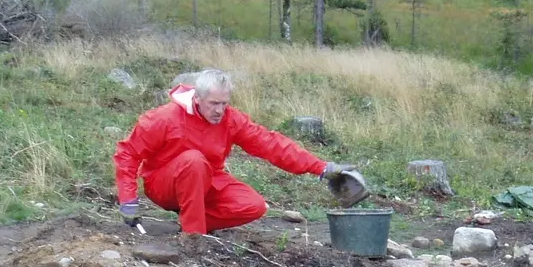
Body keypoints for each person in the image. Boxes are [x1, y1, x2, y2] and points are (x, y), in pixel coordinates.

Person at [113, 68, 354, 235]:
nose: (220, 110)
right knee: (194, 160)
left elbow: (270, 144)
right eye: (213, 104)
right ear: (197, 98)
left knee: (253, 205)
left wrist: (320, 167)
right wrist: (128, 200)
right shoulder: (164, 118)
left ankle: (191, 220)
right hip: (162, 184)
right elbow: (128, 154)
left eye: (224, 103)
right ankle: (193, 238)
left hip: (207, 181)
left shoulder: (231, 120)